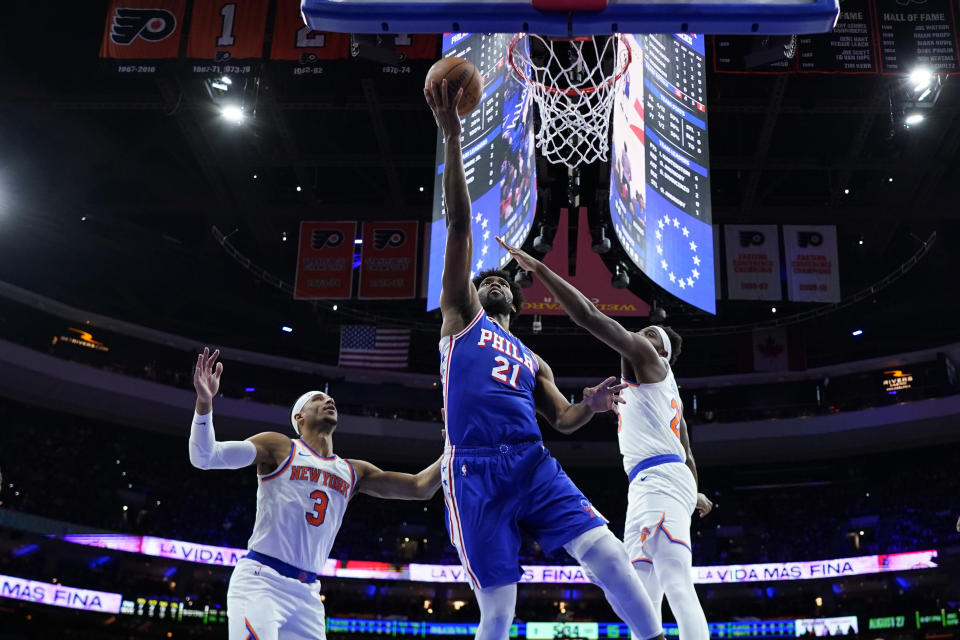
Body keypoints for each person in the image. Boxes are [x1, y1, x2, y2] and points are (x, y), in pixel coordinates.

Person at [424, 80, 664, 640]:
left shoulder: (534, 359)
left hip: (533, 463)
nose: (493, 281)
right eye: (485, 279)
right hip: (475, 469)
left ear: (516, 298)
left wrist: (591, 404)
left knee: (606, 553)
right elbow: (460, 226)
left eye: (500, 278)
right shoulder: (462, 318)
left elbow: (561, 419)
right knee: (500, 612)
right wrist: (453, 138)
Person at [496, 237, 713, 640]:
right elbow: (688, 453)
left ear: (660, 351)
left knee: (675, 579)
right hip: (654, 482)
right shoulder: (666, 391)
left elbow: (590, 315)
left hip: (660, 480)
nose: (639, 335)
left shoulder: (649, 360)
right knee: (641, 593)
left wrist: (540, 270)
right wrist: (694, 493)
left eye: (649, 333)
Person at [188, 347, 442, 640]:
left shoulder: (353, 471)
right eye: (318, 399)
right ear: (300, 416)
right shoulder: (280, 446)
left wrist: (452, 451)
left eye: (329, 398)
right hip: (262, 583)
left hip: (307, 594)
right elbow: (205, 457)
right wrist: (204, 404)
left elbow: (420, 488)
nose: (328, 400)